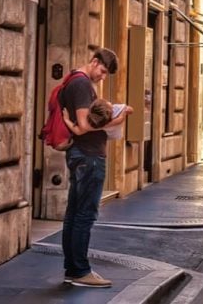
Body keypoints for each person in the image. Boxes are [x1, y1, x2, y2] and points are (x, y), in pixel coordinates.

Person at [59, 48, 129, 288]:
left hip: (81, 155)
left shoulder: (76, 81)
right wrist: (117, 120)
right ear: (94, 61)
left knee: (75, 213)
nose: (103, 76)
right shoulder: (81, 84)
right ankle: (79, 270)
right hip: (88, 157)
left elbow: (80, 124)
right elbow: (83, 124)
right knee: (84, 215)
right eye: (102, 70)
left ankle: (73, 268)